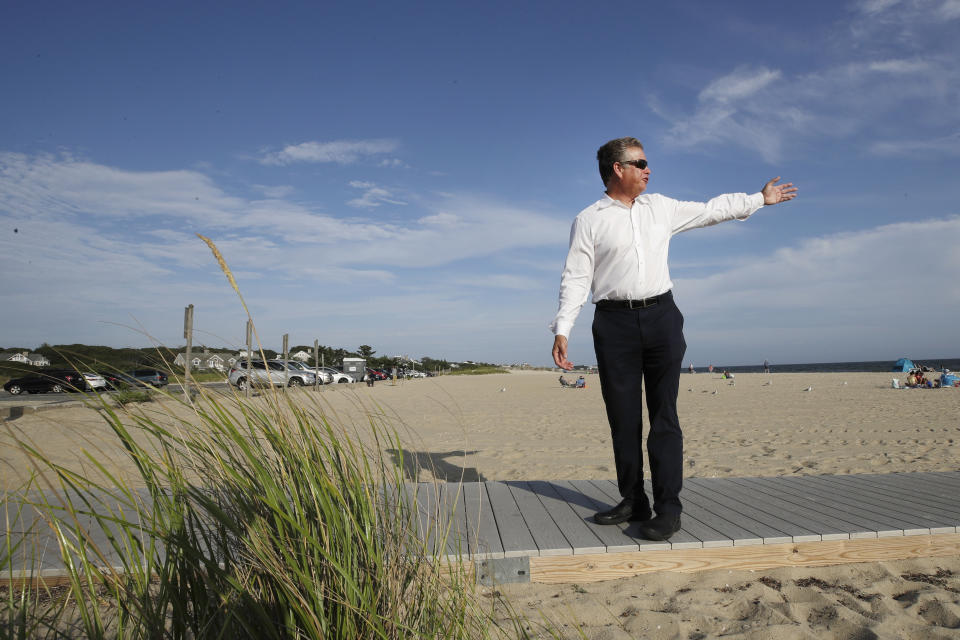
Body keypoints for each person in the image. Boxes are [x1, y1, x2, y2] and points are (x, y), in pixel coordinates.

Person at [550, 137, 796, 541]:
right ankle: (633, 500)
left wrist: (758, 199)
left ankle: (668, 508)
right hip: (613, 324)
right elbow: (576, 277)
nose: (648, 169)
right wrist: (563, 328)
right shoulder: (589, 219)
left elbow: (711, 210)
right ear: (618, 168)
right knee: (623, 421)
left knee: (664, 417)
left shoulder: (660, 207)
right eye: (640, 163)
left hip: (662, 317)